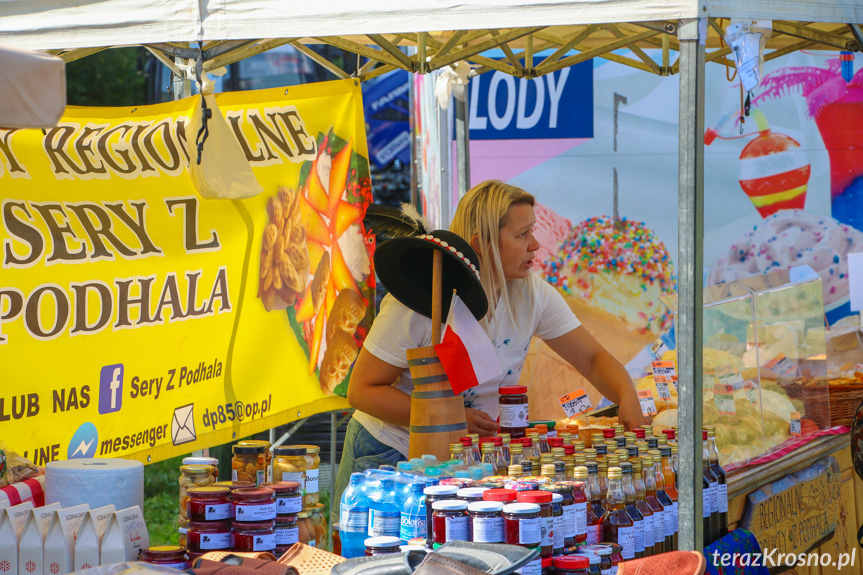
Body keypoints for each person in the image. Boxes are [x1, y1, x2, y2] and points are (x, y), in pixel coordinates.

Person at [333, 180, 650, 521]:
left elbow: (592, 358)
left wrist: (627, 395)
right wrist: (453, 419)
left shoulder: (532, 294)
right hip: (388, 453)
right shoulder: (422, 297)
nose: (536, 244)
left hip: (461, 459)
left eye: (533, 231)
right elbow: (362, 390)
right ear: (481, 244)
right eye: (522, 234)